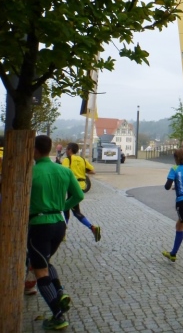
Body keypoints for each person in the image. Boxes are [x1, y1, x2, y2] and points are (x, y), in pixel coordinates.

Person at [29, 135, 84, 330]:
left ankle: (58, 316)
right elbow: (79, 195)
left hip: (39, 225)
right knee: (45, 261)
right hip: (59, 224)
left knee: (40, 269)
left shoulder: (31, 172)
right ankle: (59, 293)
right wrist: (62, 207)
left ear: (35, 150)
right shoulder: (64, 170)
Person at [62, 142, 101, 241]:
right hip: (82, 187)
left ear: (70, 150)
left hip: (72, 187)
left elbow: (63, 173)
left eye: (67, 149)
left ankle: (92, 228)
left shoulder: (67, 160)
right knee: (67, 208)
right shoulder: (82, 159)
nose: (66, 151)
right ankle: (63, 233)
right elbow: (92, 171)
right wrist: (81, 171)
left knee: (74, 211)